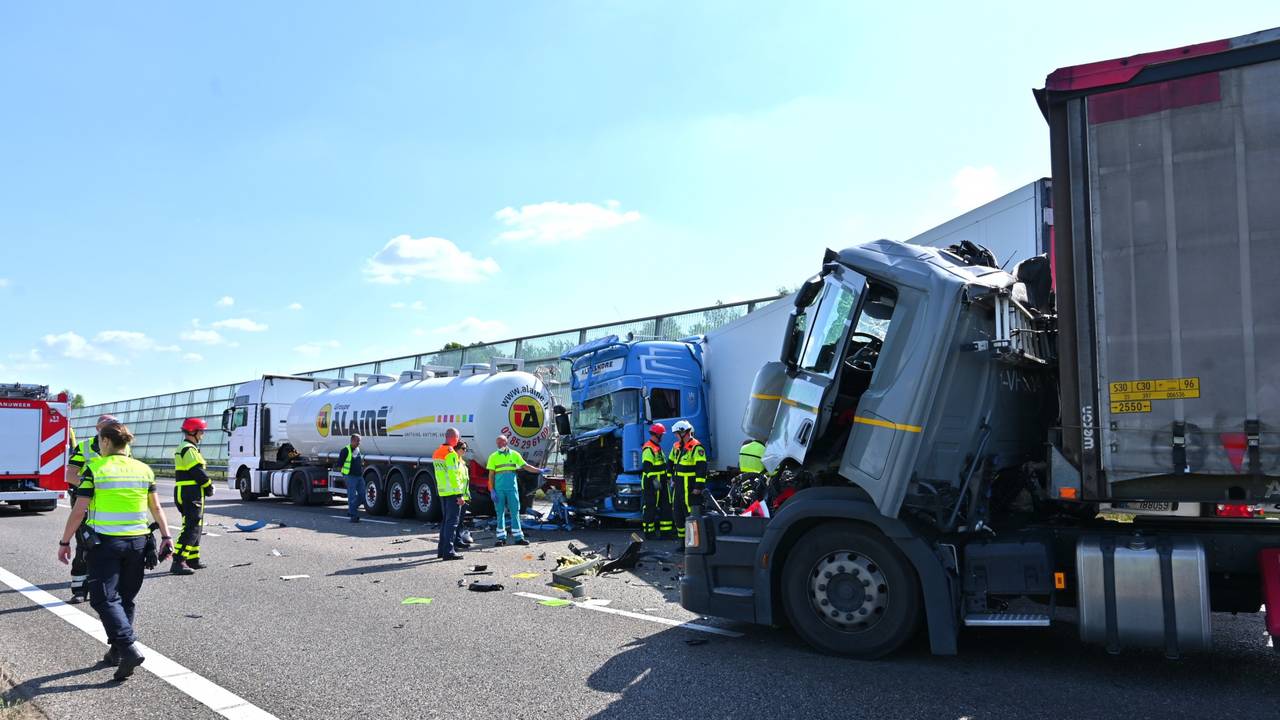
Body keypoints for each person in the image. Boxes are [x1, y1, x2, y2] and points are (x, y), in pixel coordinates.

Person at [57, 420, 172, 681]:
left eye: (100, 441)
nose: (98, 445)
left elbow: (79, 510)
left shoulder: (95, 469)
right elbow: (156, 509)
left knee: (102, 598)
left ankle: (128, 647)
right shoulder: (144, 470)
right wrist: (166, 537)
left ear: (106, 441)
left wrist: (64, 542)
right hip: (139, 544)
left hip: (106, 544)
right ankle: (117, 653)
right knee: (125, 598)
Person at [65, 414, 128, 602]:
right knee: (85, 543)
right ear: (99, 429)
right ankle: (79, 589)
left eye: (116, 426)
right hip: (86, 501)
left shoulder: (123, 447)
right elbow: (70, 475)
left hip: (112, 504)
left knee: (111, 544)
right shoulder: (84, 447)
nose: (114, 429)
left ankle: (106, 585)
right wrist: (91, 487)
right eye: (109, 426)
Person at [484, 435, 547, 546]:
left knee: (515, 512)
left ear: (506, 442)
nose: (499, 445)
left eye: (501, 442)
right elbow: (491, 475)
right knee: (500, 513)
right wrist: (492, 490)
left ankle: (518, 537)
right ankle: (501, 538)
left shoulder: (514, 454)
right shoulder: (493, 456)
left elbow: (526, 466)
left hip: (512, 489)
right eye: (497, 443)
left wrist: (539, 470)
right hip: (499, 490)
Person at [171, 418, 214, 575]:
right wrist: (209, 485)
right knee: (192, 526)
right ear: (193, 431)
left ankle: (192, 559)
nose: (203, 434)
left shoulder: (189, 448)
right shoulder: (188, 448)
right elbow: (196, 471)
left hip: (191, 492)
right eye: (201, 431)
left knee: (196, 525)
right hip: (189, 492)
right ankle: (178, 561)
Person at [667, 420, 708, 550]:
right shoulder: (676, 446)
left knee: (691, 516)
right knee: (678, 515)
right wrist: (669, 477)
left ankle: (694, 544)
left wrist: (698, 487)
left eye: (677, 433)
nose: (675, 436)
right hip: (678, 486)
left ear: (683, 432)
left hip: (690, 487)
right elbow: (670, 462)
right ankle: (683, 543)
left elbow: (701, 468)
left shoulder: (697, 447)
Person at [432, 428, 467, 560]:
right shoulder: (451, 454)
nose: (458, 440)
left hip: (443, 491)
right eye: (458, 437)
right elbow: (453, 476)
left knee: (445, 522)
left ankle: (441, 550)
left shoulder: (437, 452)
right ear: (454, 438)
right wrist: (459, 495)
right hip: (452, 492)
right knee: (452, 523)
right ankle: (449, 552)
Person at [640, 423, 671, 540]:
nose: (662, 436)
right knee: (650, 507)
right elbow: (647, 467)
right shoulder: (648, 448)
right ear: (657, 435)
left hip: (661, 481)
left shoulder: (657, 447)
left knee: (666, 506)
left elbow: (662, 465)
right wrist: (654, 480)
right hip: (651, 482)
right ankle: (649, 533)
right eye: (661, 434)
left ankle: (666, 533)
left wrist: (666, 478)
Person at [337, 435, 364, 522]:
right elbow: (339, 465)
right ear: (352, 441)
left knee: (363, 495)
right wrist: (344, 476)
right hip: (350, 476)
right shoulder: (345, 450)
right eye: (357, 441)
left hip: (359, 476)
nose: (359, 443)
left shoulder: (357, 449)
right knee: (351, 496)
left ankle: (351, 509)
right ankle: (353, 516)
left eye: (359, 441)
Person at [454, 440, 474, 549]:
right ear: (457, 449)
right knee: (455, 522)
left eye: (466, 449)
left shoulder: (462, 461)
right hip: (458, 495)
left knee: (460, 522)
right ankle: (453, 543)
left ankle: (457, 540)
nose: (465, 451)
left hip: (463, 495)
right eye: (463, 448)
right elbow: (455, 479)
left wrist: (467, 495)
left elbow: (465, 480)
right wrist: (459, 495)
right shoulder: (455, 461)